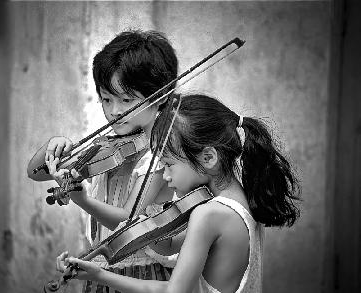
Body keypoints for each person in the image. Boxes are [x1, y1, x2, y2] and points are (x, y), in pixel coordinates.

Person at [55, 94, 301, 293]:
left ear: (208, 157)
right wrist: (103, 271)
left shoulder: (209, 214)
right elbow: (171, 248)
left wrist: (103, 276)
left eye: (169, 164)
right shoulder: (244, 201)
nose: (166, 175)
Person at [27, 30, 180, 292]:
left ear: (160, 96)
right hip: (102, 269)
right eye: (106, 99)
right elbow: (34, 172)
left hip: (140, 275)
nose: (115, 112)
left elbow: (126, 221)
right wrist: (54, 145)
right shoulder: (108, 146)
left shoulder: (160, 155)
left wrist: (82, 200)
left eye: (127, 100)